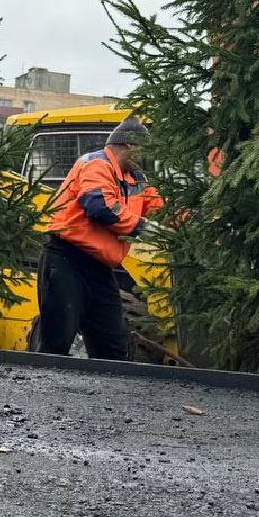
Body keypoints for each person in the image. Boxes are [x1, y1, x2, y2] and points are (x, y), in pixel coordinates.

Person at [35, 115, 164, 359]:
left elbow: (162, 208)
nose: (147, 158)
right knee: (56, 343)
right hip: (66, 260)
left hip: (100, 269)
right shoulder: (96, 164)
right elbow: (99, 207)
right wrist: (144, 227)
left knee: (112, 347)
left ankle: (107, 395)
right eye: (145, 151)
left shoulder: (135, 179)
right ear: (130, 146)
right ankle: (46, 394)